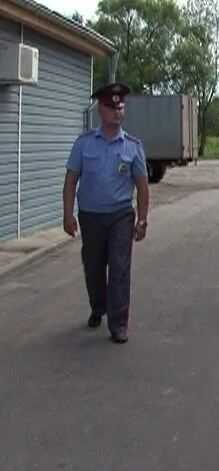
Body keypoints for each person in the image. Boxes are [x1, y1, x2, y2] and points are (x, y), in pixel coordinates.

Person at [62, 82, 149, 344]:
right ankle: (98, 307)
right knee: (94, 267)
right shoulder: (84, 143)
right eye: (111, 107)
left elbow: (143, 187)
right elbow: (71, 181)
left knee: (120, 269)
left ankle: (118, 324)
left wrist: (142, 219)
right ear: (100, 110)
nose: (117, 112)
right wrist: (68, 215)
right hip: (90, 216)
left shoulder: (133, 146)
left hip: (121, 215)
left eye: (120, 107)